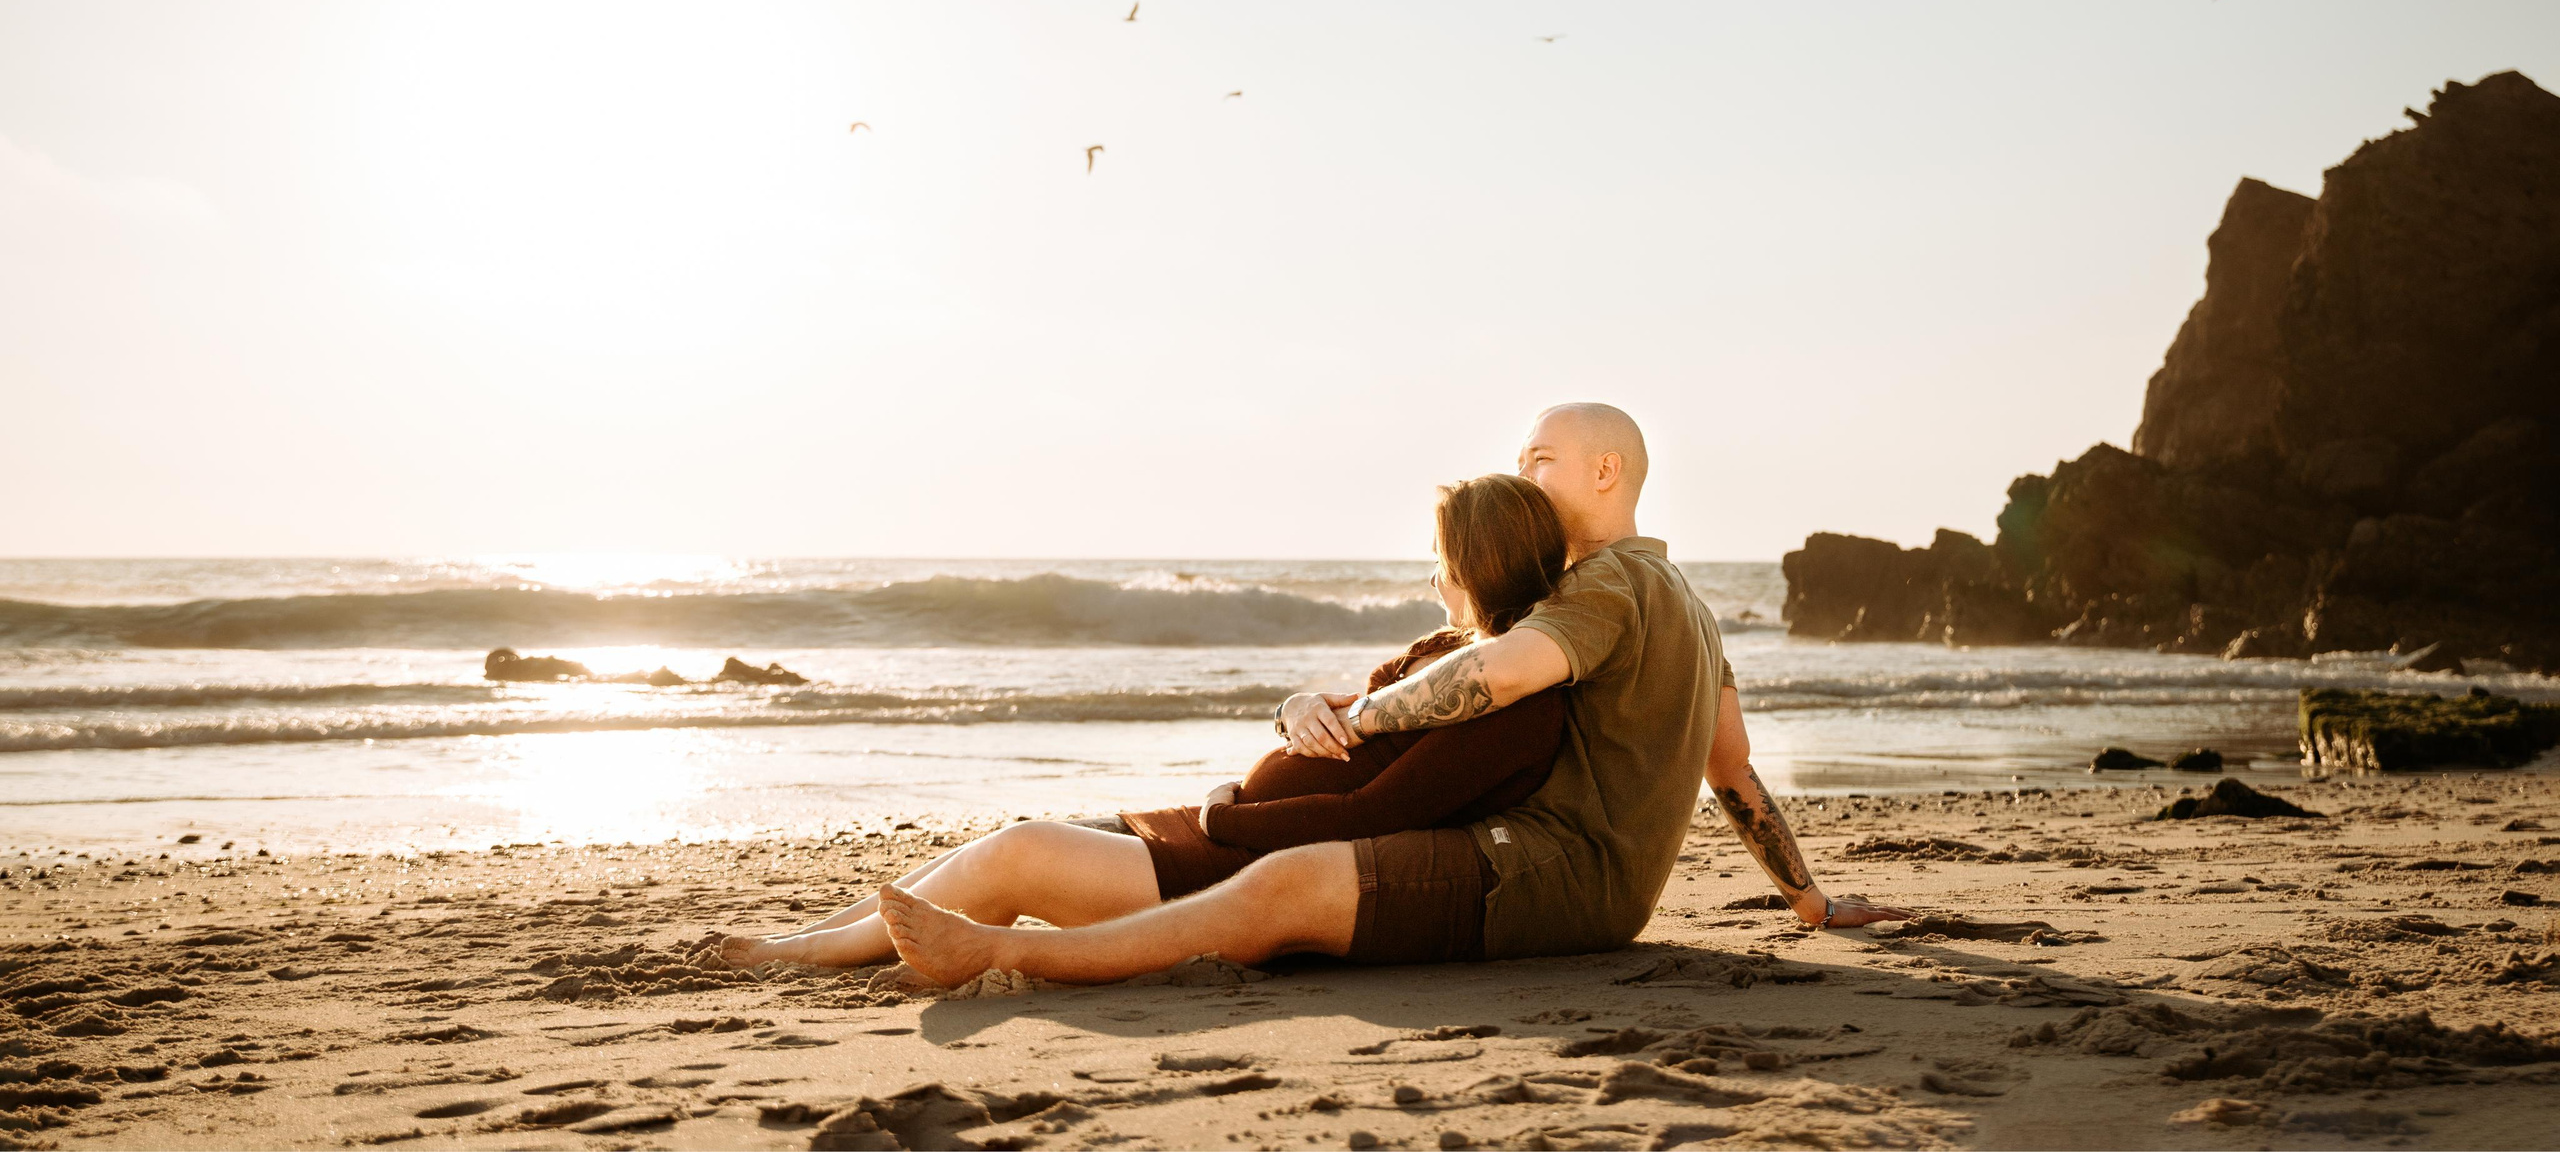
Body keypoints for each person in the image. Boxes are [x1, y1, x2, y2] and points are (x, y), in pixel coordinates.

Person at [873, 403, 1910, 987]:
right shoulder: (1687, 600)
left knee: (1289, 884)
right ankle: (928, 928)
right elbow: (1730, 769)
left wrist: (1360, 715)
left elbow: (1502, 671)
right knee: (1261, 872)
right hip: (1574, 884)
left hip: (1545, 877)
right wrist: (1807, 899)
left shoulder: (1608, 583)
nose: (1522, 474)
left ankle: (1005, 952)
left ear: (1605, 471)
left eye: (1539, 460)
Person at [715, 473, 1571, 971]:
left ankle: (812, 956)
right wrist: (1296, 706)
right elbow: (1345, 716)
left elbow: (1378, 814)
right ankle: (812, 936)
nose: (1432, 576)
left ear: (1476, 560)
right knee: (999, 843)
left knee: (1020, 853)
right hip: (1228, 834)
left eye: (1441, 559)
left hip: (1236, 864)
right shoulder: (1444, 649)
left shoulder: (1512, 703)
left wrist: (1224, 811)